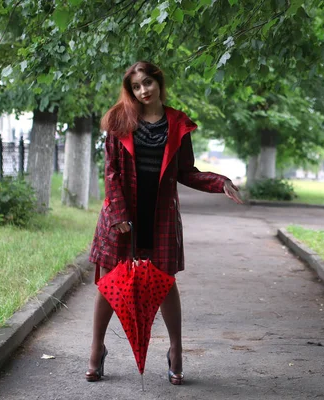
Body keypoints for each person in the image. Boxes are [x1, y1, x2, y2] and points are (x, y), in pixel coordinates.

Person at [85, 61, 242, 385]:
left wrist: (219, 182)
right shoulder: (118, 121)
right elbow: (111, 172)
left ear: (158, 82)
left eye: (147, 83)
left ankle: (175, 351)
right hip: (122, 214)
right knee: (111, 284)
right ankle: (96, 350)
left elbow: (186, 171)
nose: (143, 91)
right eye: (136, 87)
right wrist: (118, 216)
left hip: (160, 216)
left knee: (165, 284)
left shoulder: (177, 123)